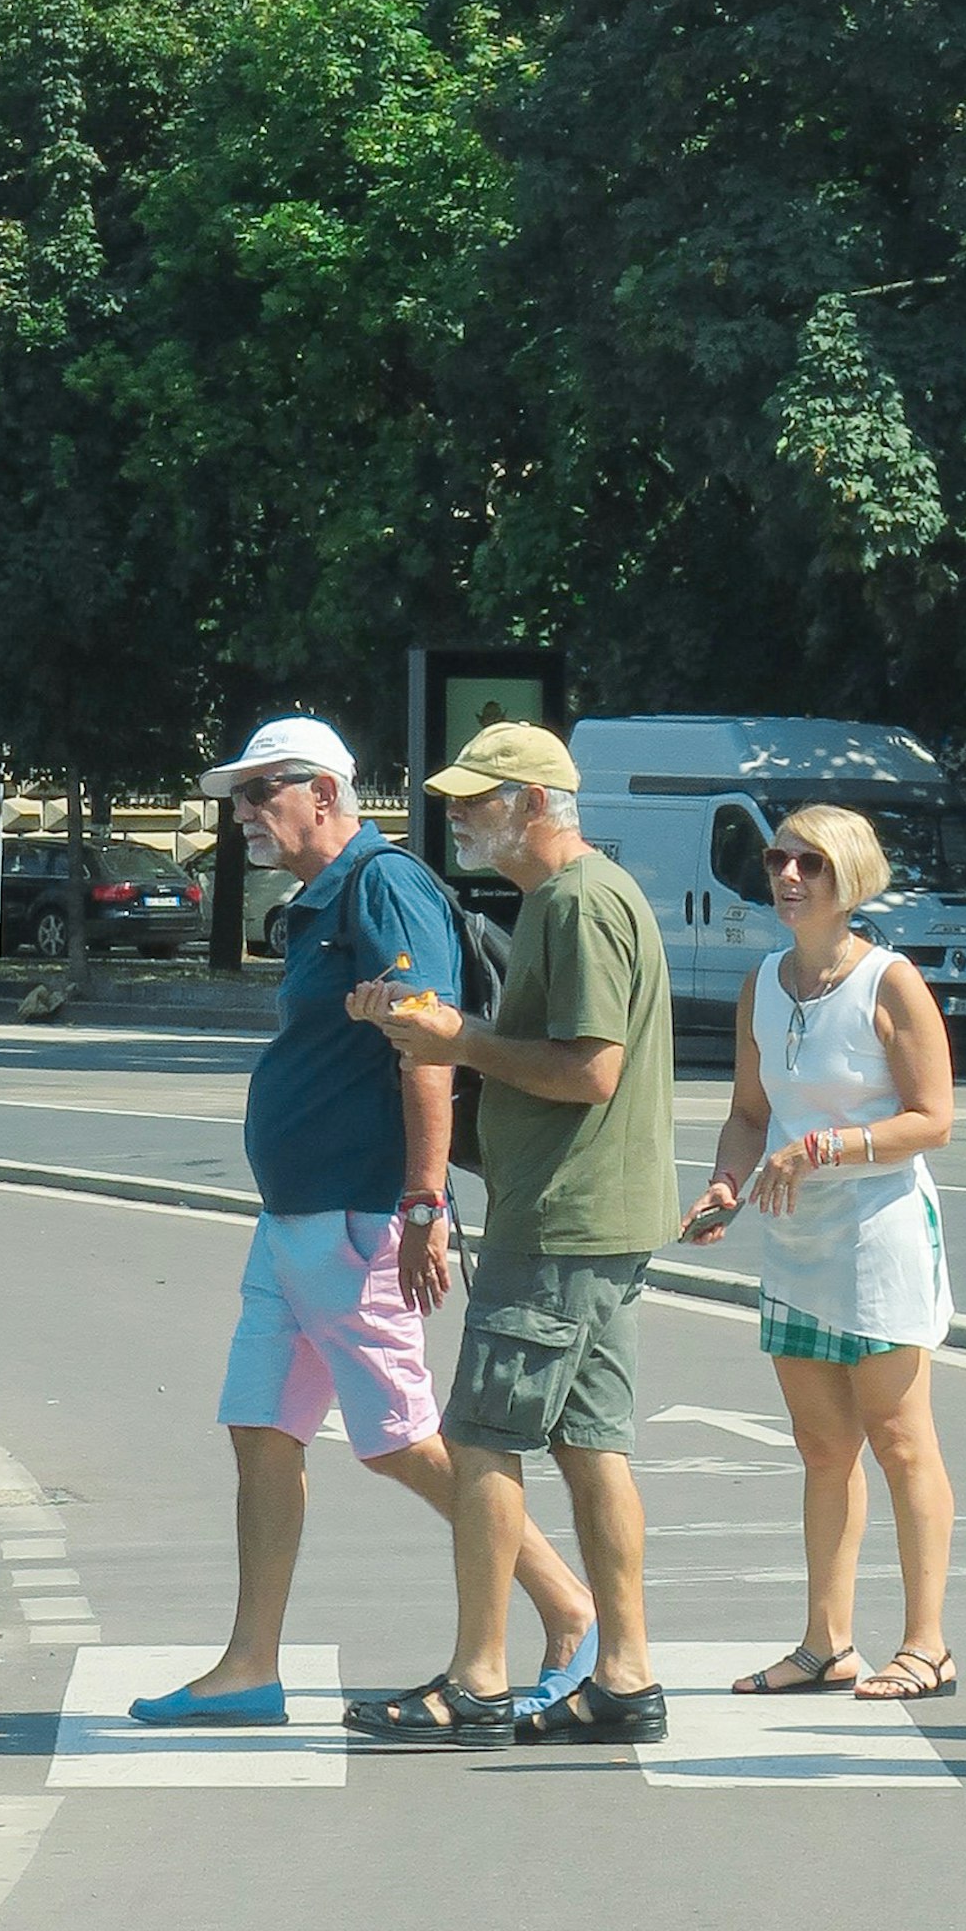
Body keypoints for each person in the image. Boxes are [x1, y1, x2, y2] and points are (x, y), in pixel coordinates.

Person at [129, 715, 593, 1730]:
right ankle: (250, 1666)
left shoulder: (382, 886)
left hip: (357, 1213)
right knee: (261, 1427)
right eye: (238, 798)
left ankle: (568, 1606)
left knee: (396, 1438)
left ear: (325, 794)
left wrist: (426, 1201)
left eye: (262, 795)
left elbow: (426, 1045)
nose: (243, 816)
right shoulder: (323, 900)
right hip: (295, 1216)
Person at [344, 720, 677, 1751]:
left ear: (535, 804)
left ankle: (477, 1682)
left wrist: (458, 1040)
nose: (456, 816)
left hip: (561, 1222)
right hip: (594, 1217)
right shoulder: (570, 898)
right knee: (590, 1444)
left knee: (485, 1439)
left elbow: (589, 1070)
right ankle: (624, 1675)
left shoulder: (575, 904)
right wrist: (420, 1026)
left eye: (475, 799)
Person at [687, 803, 961, 1702]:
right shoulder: (763, 981)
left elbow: (934, 1119)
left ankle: (928, 1644)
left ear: (850, 879)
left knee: (900, 1440)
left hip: (878, 1233)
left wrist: (827, 1149)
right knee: (820, 1446)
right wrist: (726, 1185)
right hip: (796, 1238)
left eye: (811, 863)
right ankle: (825, 1642)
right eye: (778, 859)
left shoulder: (890, 981)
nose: (789, 877)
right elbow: (750, 1113)